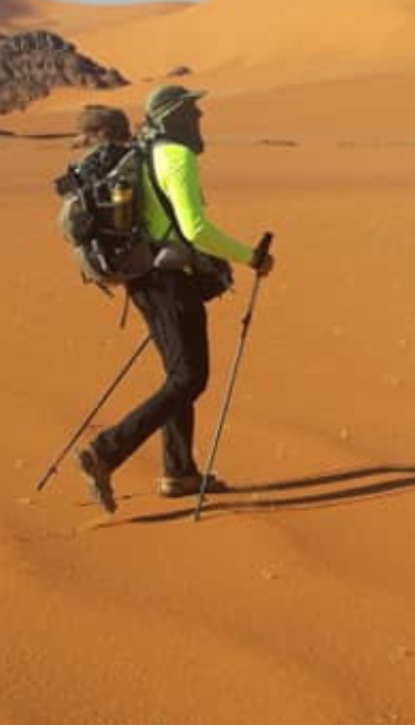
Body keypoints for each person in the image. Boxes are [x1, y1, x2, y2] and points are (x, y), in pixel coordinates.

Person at [77, 83, 275, 513]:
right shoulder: (177, 156)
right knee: (190, 379)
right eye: (192, 111)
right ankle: (105, 451)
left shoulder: (146, 152)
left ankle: (178, 471)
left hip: (144, 279)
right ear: (173, 116)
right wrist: (250, 257)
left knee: (177, 377)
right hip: (169, 281)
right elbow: (195, 230)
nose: (199, 118)